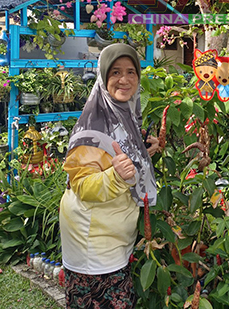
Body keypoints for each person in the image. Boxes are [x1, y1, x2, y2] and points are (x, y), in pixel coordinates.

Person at [59, 43, 159, 309]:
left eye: (130, 72)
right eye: (115, 72)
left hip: (112, 238)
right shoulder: (92, 128)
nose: (124, 80)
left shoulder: (124, 115)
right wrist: (116, 176)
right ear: (103, 78)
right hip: (93, 244)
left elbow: (126, 159)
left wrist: (146, 151)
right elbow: (82, 185)